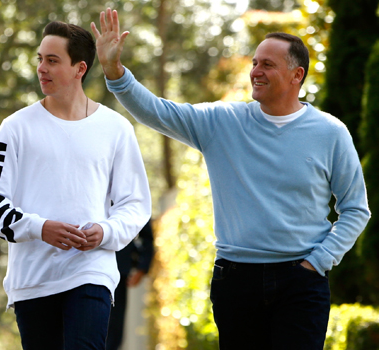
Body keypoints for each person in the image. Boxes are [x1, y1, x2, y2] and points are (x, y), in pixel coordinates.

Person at [91, 8, 370, 350]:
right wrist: (114, 71)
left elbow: (356, 209)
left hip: (302, 282)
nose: (256, 71)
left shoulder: (330, 133)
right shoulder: (221, 122)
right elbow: (158, 111)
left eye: (267, 64)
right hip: (237, 279)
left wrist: (319, 261)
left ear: (297, 74)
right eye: (255, 62)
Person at [0, 21, 151, 350]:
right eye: (40, 59)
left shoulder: (116, 129)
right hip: (33, 280)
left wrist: (106, 232)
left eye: (52, 60)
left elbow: (136, 203)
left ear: (79, 68)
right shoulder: (14, 128)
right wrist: (39, 228)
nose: (42, 68)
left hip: (92, 272)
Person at [106, 219, 154, 350]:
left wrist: (142, 267)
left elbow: (145, 232)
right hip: (79, 270)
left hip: (118, 271)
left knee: (114, 330)